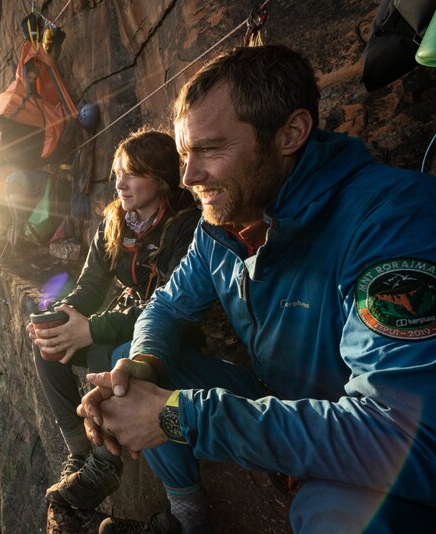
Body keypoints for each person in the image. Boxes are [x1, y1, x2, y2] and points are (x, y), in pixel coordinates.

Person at [80, 45, 436, 533]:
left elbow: (405, 434)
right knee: (128, 359)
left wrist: (181, 417)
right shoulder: (220, 231)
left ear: (290, 133)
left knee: (332, 517)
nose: (188, 177)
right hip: (276, 394)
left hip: (355, 424)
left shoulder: (390, 221)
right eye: (185, 154)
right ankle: (190, 518)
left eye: (209, 149)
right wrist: (142, 363)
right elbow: (164, 307)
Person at [29, 128, 200, 512]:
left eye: (132, 173)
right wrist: (60, 317)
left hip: (175, 335)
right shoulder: (115, 222)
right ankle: (80, 453)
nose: (119, 183)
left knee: (116, 359)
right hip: (128, 321)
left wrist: (91, 328)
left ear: (160, 179)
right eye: (117, 173)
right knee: (48, 346)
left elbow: (170, 306)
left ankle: (112, 467)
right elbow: (89, 285)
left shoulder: (186, 225)